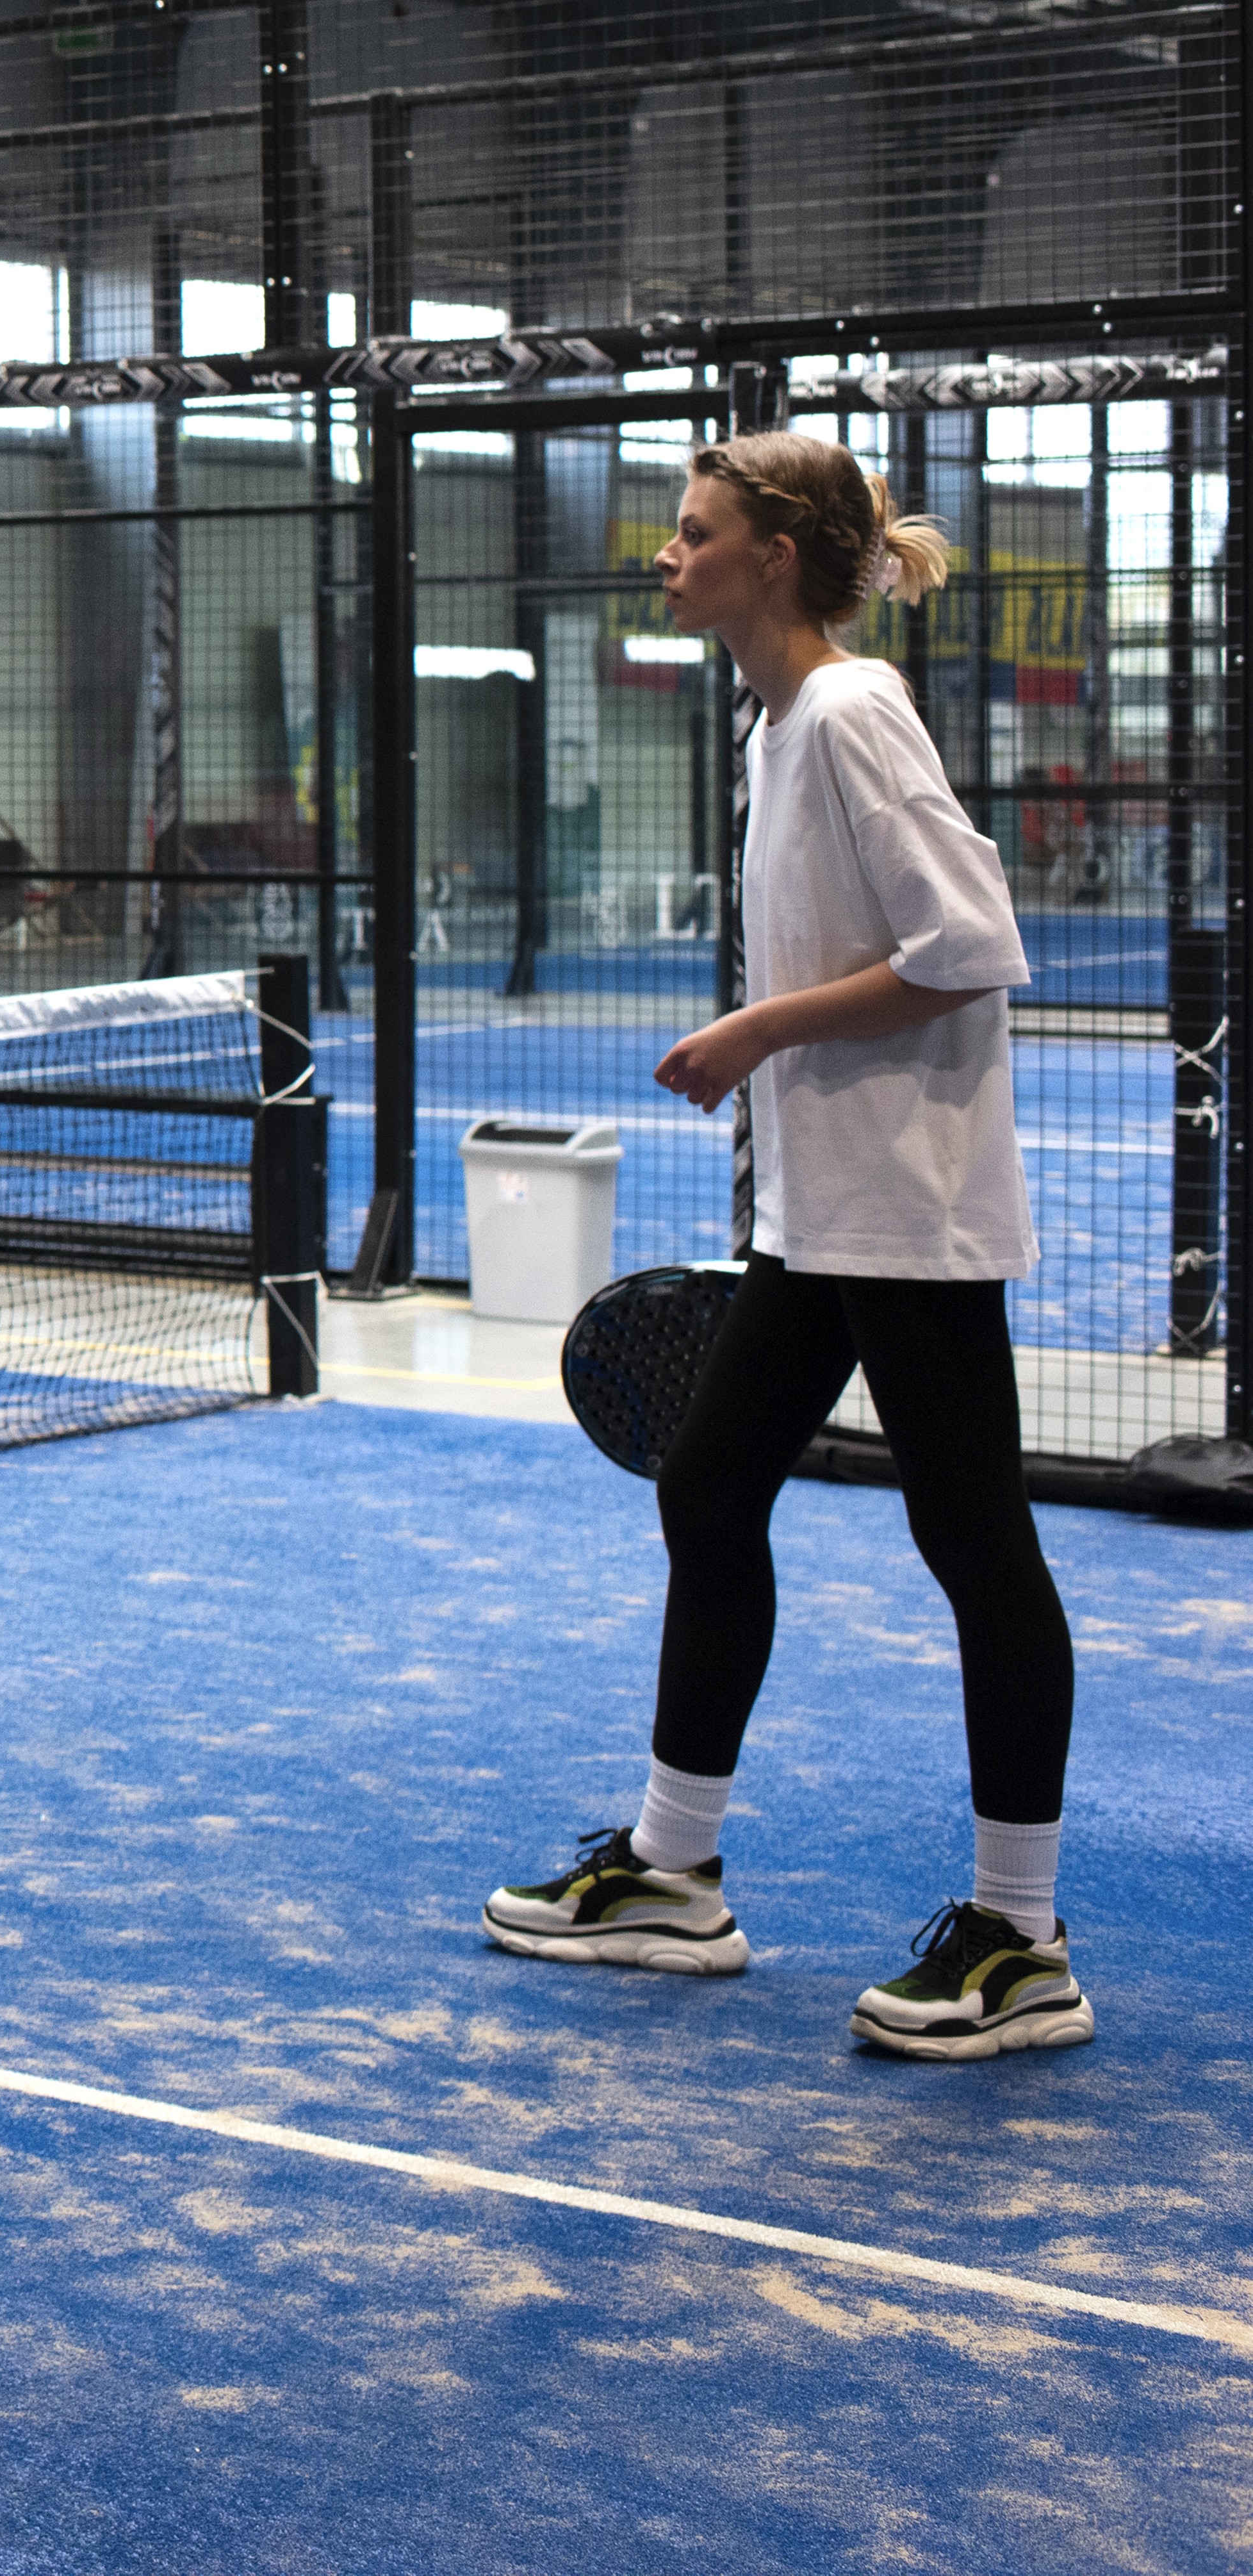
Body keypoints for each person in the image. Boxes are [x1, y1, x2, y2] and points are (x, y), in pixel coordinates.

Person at [480, 434, 1088, 2057]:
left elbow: (970, 945)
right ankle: (675, 1871)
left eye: (692, 533)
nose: (663, 557)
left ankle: (1021, 1940)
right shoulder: (771, 727)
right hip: (819, 1217)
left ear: (773, 554)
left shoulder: (846, 711)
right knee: (708, 1483)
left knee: (974, 1544)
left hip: (908, 1214)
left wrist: (752, 1031)